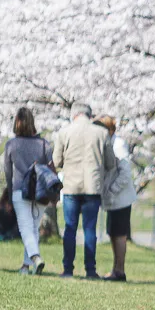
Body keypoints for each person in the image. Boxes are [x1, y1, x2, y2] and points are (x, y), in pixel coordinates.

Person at [51, 103, 115, 280]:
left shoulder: (65, 132)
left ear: (74, 114)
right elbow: (111, 163)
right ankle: (90, 270)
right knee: (89, 229)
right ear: (90, 115)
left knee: (70, 228)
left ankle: (68, 269)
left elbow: (56, 161)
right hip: (92, 187)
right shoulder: (101, 133)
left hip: (71, 185)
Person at [3, 107, 51, 275]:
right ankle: (26, 266)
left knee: (25, 228)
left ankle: (35, 257)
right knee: (33, 229)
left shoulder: (11, 145)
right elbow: (51, 167)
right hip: (40, 191)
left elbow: (8, 172)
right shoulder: (44, 144)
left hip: (19, 190)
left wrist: (9, 193)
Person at [99, 113, 137, 281]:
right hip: (114, 198)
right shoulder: (109, 143)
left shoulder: (118, 144)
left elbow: (125, 172)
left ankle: (119, 270)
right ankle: (116, 269)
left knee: (119, 233)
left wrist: (112, 190)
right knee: (113, 232)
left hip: (120, 197)